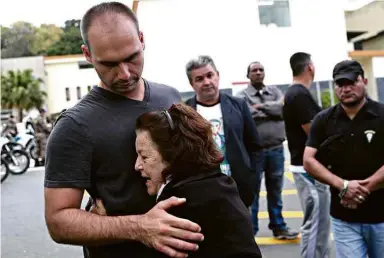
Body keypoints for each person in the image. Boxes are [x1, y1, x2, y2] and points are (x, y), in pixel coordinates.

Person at [44, 2, 204, 258]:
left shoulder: (170, 96)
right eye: (108, 64)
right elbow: (58, 221)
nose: (125, 74)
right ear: (87, 54)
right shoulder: (74, 126)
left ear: (141, 40)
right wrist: (139, 227)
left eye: (132, 58)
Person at [132, 103, 262, 257]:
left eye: (144, 156)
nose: (137, 165)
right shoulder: (222, 184)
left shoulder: (179, 206)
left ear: (173, 155)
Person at [303, 60, 384, 258]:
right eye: (340, 84)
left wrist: (363, 189)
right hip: (344, 219)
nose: (346, 89)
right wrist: (343, 185)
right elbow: (309, 160)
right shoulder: (323, 120)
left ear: (364, 81)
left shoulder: (382, 115)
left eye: (351, 82)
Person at [184, 55, 262, 207]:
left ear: (217, 76)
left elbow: (254, 146)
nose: (207, 82)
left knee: (243, 229)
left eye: (210, 75)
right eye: (199, 79)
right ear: (192, 84)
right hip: (202, 192)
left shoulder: (239, 105)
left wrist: (253, 178)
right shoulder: (185, 113)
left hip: (238, 188)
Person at [237, 61, 299, 239]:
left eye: (261, 70)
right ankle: (251, 230)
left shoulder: (275, 92)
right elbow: (247, 115)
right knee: (252, 193)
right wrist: (271, 111)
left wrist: (261, 108)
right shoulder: (242, 96)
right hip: (254, 152)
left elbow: (281, 109)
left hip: (276, 150)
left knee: (275, 191)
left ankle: (279, 227)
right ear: (248, 75)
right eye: (254, 70)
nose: (258, 73)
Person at [282, 52, 331, 258]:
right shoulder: (299, 94)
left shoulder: (295, 93)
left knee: (320, 227)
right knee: (316, 227)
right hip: (308, 169)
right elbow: (314, 133)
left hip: (306, 168)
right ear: (310, 67)